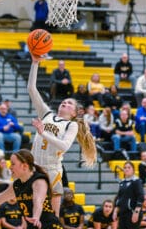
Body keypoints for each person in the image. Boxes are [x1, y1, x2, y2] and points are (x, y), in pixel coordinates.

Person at [27, 54, 96, 217]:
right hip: (33, 165)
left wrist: (43, 133)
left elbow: (64, 146)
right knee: (28, 208)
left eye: (69, 103)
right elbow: (31, 89)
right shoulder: (46, 113)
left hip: (52, 168)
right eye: (63, 101)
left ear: (74, 113)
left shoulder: (70, 125)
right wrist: (35, 63)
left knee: (52, 213)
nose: (64, 103)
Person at [0, 149, 63, 229]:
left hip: (49, 225)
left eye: (13, 164)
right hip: (33, 226)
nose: (10, 167)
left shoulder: (39, 181)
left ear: (24, 166)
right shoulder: (17, 184)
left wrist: (36, 217)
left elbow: (38, 201)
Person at [113, 161, 144, 229]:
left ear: (133, 170)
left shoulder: (137, 181)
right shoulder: (122, 182)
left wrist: (136, 212)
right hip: (123, 212)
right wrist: (115, 211)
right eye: (125, 168)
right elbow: (119, 197)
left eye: (129, 167)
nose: (126, 169)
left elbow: (140, 196)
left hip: (132, 212)